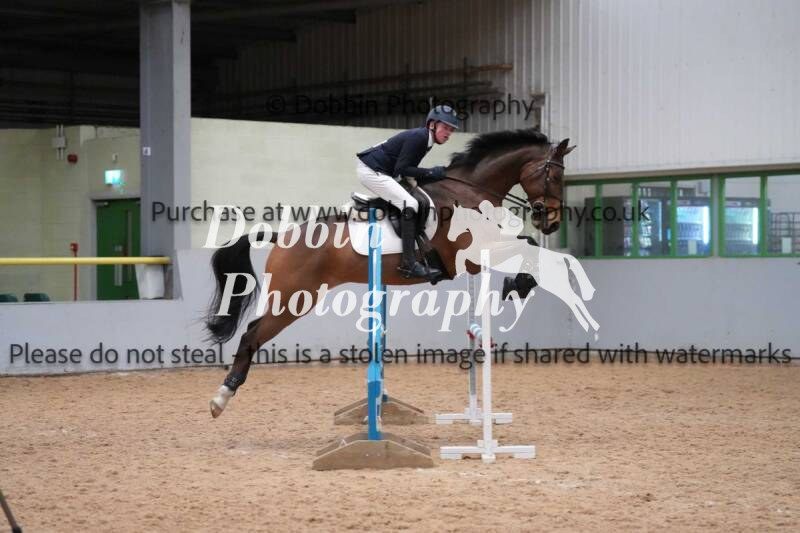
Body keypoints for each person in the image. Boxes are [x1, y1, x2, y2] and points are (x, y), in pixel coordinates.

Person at [356, 105, 459, 280]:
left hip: (384, 171)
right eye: (445, 127)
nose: (448, 133)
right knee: (410, 204)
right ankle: (408, 263)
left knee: (415, 196)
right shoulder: (420, 138)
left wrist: (430, 174)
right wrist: (431, 172)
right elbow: (402, 169)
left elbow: (405, 169)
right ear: (432, 124)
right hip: (371, 170)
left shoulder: (426, 139)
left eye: (451, 130)